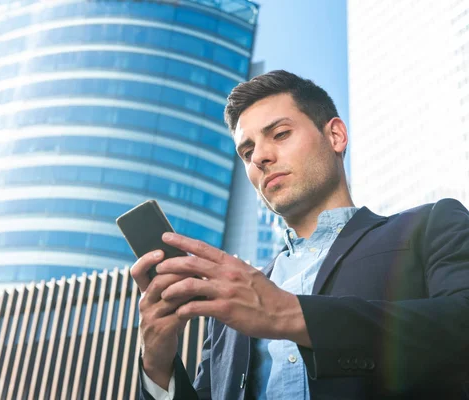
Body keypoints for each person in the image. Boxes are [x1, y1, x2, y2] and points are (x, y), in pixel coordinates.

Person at [130, 70, 469, 399]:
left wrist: (287, 314)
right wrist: (158, 368)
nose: (260, 157)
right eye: (247, 153)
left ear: (335, 136)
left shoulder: (431, 225)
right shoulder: (228, 310)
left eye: (279, 134)